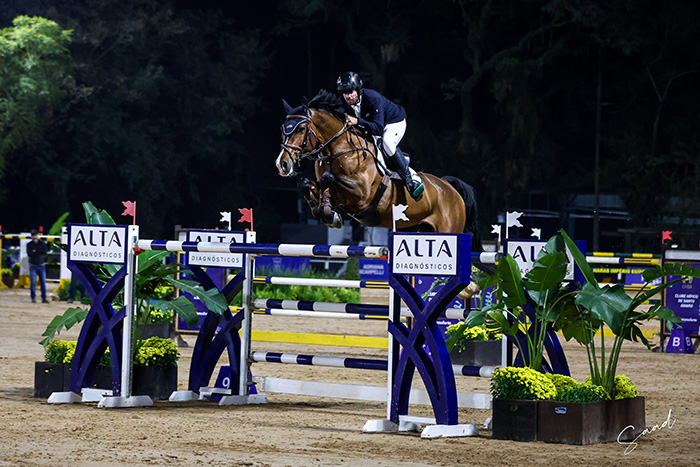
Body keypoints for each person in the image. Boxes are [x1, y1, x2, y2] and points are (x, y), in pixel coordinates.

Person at [336, 71, 425, 200]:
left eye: (350, 92)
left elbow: (378, 129)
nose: (348, 96)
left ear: (358, 90)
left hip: (394, 122)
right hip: (373, 125)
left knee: (387, 142)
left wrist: (357, 121)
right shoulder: (343, 103)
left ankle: (410, 179)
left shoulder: (372, 98)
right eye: (345, 93)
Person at [27, 229, 48, 303]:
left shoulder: (42, 244)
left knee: (43, 283)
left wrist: (35, 251)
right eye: (33, 235)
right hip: (33, 265)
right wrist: (39, 252)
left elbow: (44, 251)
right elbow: (30, 254)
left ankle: (44, 298)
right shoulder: (29, 244)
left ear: (37, 235)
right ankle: (33, 298)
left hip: (41, 265)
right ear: (31, 236)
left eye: (35, 235)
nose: (34, 237)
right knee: (33, 283)